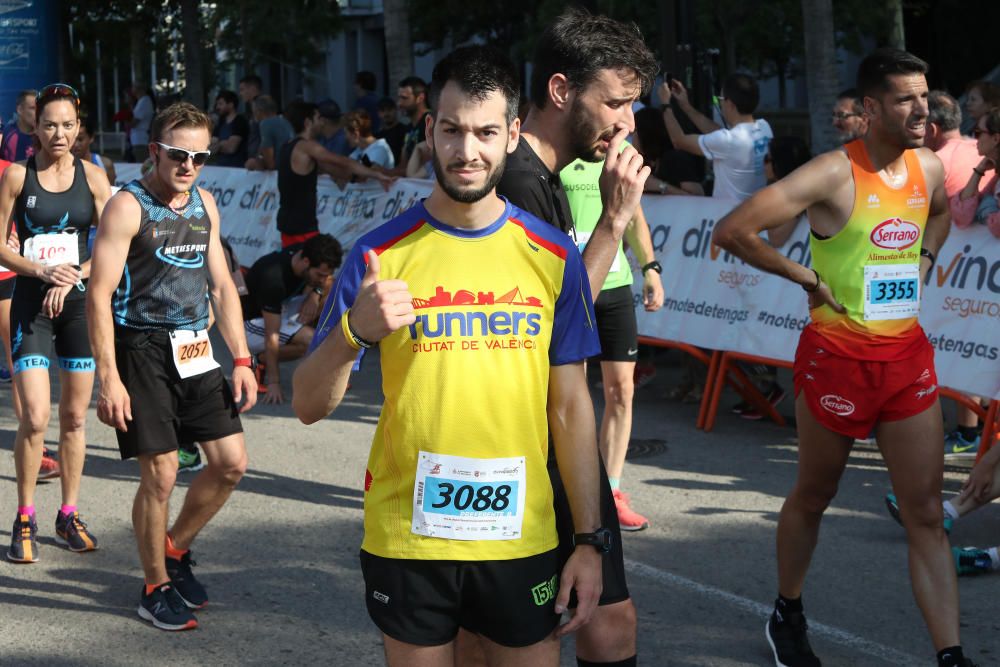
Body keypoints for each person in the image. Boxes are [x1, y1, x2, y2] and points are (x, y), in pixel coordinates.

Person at [293, 44, 605, 667]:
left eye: (487, 132)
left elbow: (570, 407)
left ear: (513, 134)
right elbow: (306, 404)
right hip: (409, 542)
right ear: (430, 130)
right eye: (454, 130)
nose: (468, 151)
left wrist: (590, 541)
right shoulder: (379, 255)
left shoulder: (553, 255)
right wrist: (355, 331)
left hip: (521, 539)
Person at [713, 48, 974, 667]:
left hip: (906, 358)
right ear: (870, 107)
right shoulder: (832, 173)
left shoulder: (930, 168)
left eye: (926, 94)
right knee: (814, 493)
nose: (922, 108)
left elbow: (936, 216)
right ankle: (788, 611)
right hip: (836, 358)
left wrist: (927, 258)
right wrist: (804, 275)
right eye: (906, 98)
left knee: (926, 514)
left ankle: (952, 655)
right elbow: (732, 230)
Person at [495, 9, 656, 667]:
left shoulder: (544, 175)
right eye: (615, 102)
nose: (628, 122)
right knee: (561, 628)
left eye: (633, 104)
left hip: (552, 432)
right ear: (562, 91)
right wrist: (615, 223)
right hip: (532, 439)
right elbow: (553, 324)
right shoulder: (519, 181)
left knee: (604, 621)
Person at [86, 101, 258, 631]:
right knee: (160, 473)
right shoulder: (127, 206)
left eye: (199, 157)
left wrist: (244, 359)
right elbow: (98, 294)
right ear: (156, 151)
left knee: (231, 462)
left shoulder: (204, 203)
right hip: (140, 348)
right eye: (179, 155)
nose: (188, 166)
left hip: (195, 347)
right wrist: (108, 378)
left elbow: (223, 285)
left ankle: (175, 549)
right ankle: (154, 585)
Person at [0, 83, 112, 563]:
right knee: (35, 417)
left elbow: (113, 248)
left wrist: (75, 277)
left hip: (77, 308)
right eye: (50, 124)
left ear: (79, 126)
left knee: (72, 418)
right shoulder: (16, 177)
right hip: (30, 305)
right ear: (35, 127)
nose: (59, 133)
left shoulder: (94, 177)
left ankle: (69, 512)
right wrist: (39, 270)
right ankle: (25, 514)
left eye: (68, 124)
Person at [561, 156, 664, 531]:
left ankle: (612, 490)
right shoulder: (562, 150)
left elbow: (633, 215)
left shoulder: (620, 157)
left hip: (617, 287)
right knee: (574, 396)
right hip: (575, 286)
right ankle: (573, 490)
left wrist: (650, 269)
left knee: (621, 392)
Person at [923, 91, 994, 458]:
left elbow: (965, 216)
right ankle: (976, 428)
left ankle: (969, 431)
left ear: (932, 128)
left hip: (954, 268)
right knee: (968, 343)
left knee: (960, 343)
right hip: (965, 269)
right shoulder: (971, 150)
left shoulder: (934, 160)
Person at [275, 100, 391, 248]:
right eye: (318, 118)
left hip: (288, 222)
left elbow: (331, 169)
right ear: (307, 122)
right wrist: (377, 175)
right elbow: (342, 161)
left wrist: (355, 177)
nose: (322, 123)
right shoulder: (306, 147)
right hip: (302, 225)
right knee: (313, 267)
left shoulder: (287, 146)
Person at [242, 233, 342, 404]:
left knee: (332, 288)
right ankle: (257, 361)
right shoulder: (273, 277)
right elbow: (271, 334)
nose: (323, 279)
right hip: (251, 323)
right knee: (311, 340)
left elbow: (329, 281)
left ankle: (313, 356)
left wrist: (315, 294)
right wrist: (274, 382)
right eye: (319, 274)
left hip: (282, 307)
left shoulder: (305, 252)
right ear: (306, 262)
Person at [660, 74, 773, 202]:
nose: (720, 103)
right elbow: (720, 133)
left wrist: (665, 104)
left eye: (720, 99)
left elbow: (679, 141)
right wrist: (686, 107)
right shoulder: (764, 128)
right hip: (753, 210)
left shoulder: (728, 141)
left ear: (730, 104)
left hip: (727, 214)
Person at [950, 107, 1000, 238]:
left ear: (995, 139)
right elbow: (962, 215)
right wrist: (978, 171)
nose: (974, 137)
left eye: (978, 132)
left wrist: (986, 211)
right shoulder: (995, 176)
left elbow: (997, 227)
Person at [632, 106, 704, 196]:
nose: (632, 136)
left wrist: (661, 186)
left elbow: (697, 196)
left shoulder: (675, 158)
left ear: (647, 133)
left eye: (635, 131)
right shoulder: (644, 161)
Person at [243, 95, 293, 171]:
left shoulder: (265, 123)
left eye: (254, 112)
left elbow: (269, 163)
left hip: (279, 172)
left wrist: (255, 163)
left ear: (259, 111)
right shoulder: (285, 121)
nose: (254, 115)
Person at [395, 76, 431, 176]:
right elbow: (403, 166)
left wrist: (380, 172)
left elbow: (427, 165)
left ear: (420, 98)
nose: (399, 103)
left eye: (404, 98)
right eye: (399, 98)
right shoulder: (409, 128)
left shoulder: (431, 122)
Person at [210, 90, 250, 168]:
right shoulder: (220, 123)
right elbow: (210, 147)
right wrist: (223, 144)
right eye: (217, 104)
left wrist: (218, 145)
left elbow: (231, 148)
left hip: (238, 169)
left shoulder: (240, 121)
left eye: (220, 104)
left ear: (231, 105)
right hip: (221, 168)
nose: (217, 107)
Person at [72, 115, 117, 184]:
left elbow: (112, 192)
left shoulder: (105, 165)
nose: (75, 144)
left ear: (91, 138)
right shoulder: (61, 166)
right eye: (72, 139)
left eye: (80, 139)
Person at [0, 90, 36, 163]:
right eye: (33, 108)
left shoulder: (44, 136)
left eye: (40, 108)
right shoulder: (8, 132)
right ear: (19, 110)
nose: (38, 112)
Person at [375, 97, 408, 166]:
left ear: (396, 110)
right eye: (383, 110)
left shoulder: (405, 131)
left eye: (389, 110)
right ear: (378, 114)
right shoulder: (377, 136)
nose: (386, 113)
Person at [238, 74, 263, 159]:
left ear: (252, 88)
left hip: (259, 160)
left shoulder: (260, 106)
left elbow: (265, 134)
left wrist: (259, 157)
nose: (240, 93)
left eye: (242, 90)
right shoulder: (252, 108)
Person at [130, 82, 154, 163]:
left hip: (140, 138)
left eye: (133, 87)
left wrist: (127, 122)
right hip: (138, 138)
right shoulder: (141, 101)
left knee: (141, 163)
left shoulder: (144, 101)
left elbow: (135, 121)